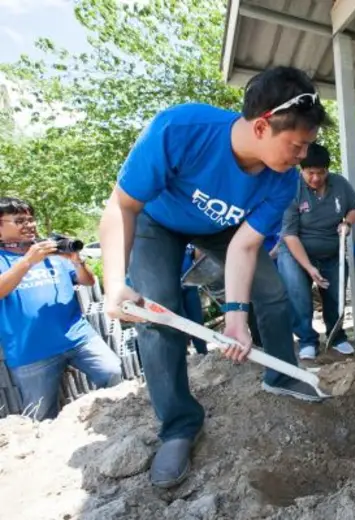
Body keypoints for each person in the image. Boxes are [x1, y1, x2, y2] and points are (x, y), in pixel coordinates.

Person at [98, 66, 331, 488]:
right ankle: (178, 426)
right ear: (261, 127)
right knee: (156, 311)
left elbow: (244, 247)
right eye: (297, 145)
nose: (302, 156)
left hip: (225, 231)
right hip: (157, 222)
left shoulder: (281, 182)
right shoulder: (180, 129)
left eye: (307, 146)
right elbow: (121, 206)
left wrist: (237, 318)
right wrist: (114, 282)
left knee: (272, 291)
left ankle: (281, 373)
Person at [0, 197, 122, 420]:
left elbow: (87, 281)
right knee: (40, 415)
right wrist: (27, 261)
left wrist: (76, 260)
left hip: (77, 336)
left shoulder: (52, 254)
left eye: (30, 219)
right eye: (19, 221)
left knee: (113, 372)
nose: (29, 225)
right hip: (31, 351)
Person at [278, 143, 355, 360]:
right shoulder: (291, 189)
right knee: (299, 296)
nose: (316, 178)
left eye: (321, 172)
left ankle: (337, 337)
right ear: (301, 170)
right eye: (310, 173)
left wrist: (347, 223)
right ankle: (307, 340)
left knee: (335, 296)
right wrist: (309, 267)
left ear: (327, 170)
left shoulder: (339, 184)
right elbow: (289, 235)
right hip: (296, 253)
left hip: (331, 252)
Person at [180, 244, 208, 355]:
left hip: (189, 280)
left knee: (197, 320)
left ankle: (203, 353)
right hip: (171, 284)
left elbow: (197, 254)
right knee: (179, 322)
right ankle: (184, 356)